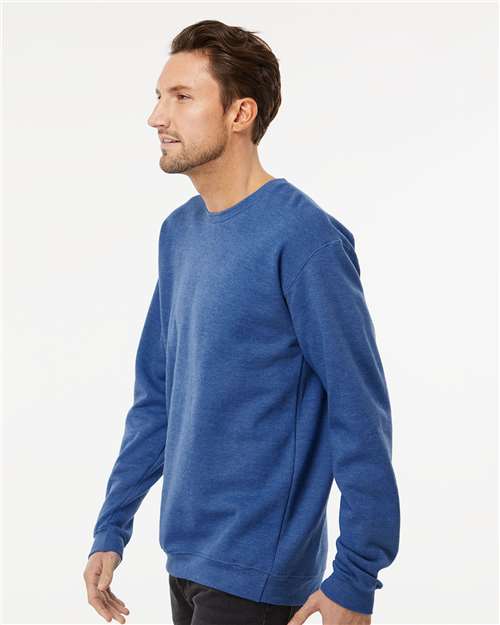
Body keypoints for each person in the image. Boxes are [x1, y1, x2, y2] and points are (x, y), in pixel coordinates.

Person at [83, 19, 400, 625]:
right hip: (185, 556)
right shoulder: (179, 234)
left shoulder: (305, 238)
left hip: (259, 571)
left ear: (240, 113)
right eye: (158, 96)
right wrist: (112, 525)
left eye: (182, 97)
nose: (156, 117)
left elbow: (360, 411)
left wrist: (357, 576)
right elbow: (157, 396)